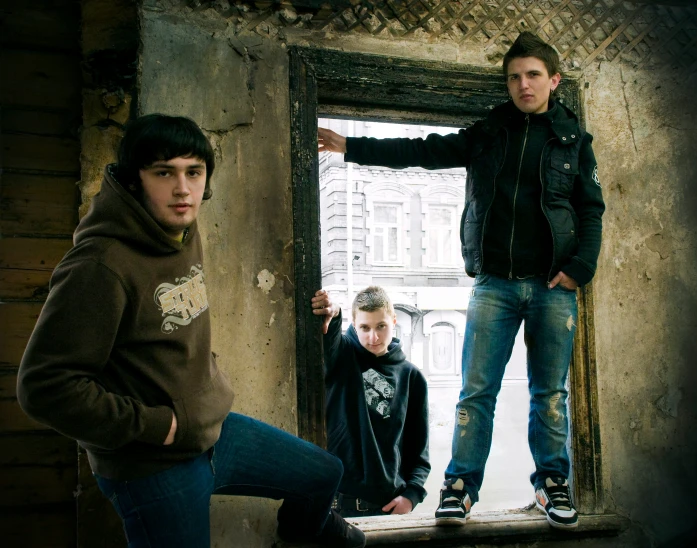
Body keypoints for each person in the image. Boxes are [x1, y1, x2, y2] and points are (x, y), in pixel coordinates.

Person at [17, 114, 365, 548]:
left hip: (214, 431)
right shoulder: (98, 266)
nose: (183, 189)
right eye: (164, 173)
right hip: (153, 466)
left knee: (323, 473)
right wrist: (157, 426)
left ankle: (299, 536)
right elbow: (44, 387)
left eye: (193, 172)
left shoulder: (181, 227)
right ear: (134, 180)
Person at [317, 32, 605, 530]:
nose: (523, 84)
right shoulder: (489, 132)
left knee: (550, 393)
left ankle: (551, 484)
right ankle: (460, 487)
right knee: (476, 392)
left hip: (550, 286)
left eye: (533, 74)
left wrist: (581, 268)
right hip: (494, 283)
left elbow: (590, 208)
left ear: (553, 80)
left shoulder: (573, 142)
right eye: (514, 77)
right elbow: (424, 150)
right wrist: (351, 146)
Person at [311, 286, 430, 517]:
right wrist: (334, 314)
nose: (373, 337)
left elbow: (419, 449)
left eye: (381, 326)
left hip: (386, 509)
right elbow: (330, 338)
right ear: (354, 324)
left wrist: (411, 496)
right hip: (336, 508)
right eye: (364, 328)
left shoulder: (411, 377)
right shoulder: (342, 358)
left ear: (393, 321)